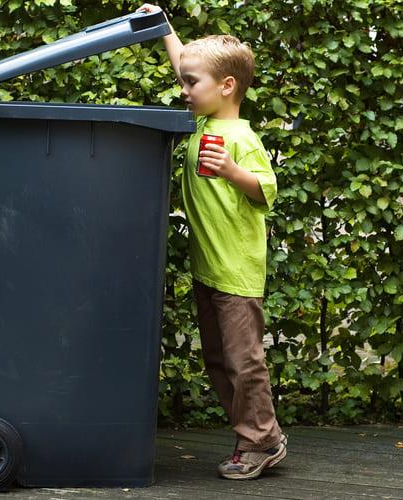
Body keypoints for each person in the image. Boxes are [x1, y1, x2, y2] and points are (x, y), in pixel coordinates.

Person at [136, 3, 286, 480]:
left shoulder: (241, 137)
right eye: (184, 81)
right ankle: (255, 434)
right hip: (209, 269)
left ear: (227, 87)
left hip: (237, 273)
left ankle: (261, 441)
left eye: (191, 84)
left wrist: (234, 172)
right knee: (219, 358)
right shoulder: (202, 122)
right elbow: (188, 62)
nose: (183, 90)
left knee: (245, 363)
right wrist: (165, 29)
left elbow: (267, 190)